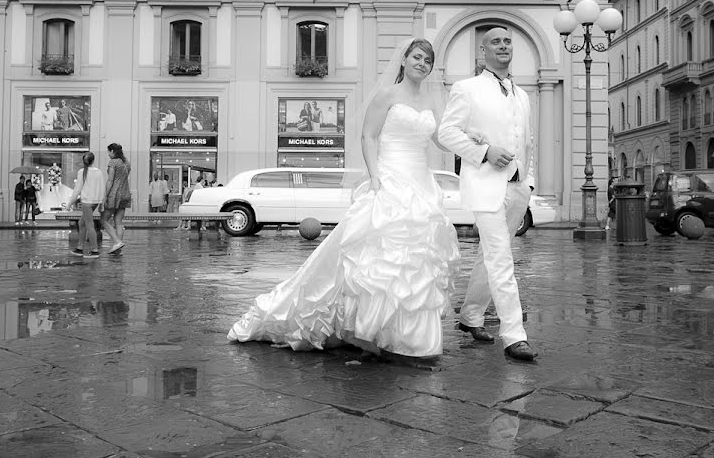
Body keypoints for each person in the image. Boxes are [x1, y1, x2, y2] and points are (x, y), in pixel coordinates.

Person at [228, 38, 461, 357]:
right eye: (417, 57)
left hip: (421, 182)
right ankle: (370, 328)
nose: (422, 63)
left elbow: (441, 140)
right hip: (391, 176)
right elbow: (369, 136)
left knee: (416, 261)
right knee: (379, 258)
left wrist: (468, 141)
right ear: (404, 60)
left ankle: (410, 337)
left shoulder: (432, 103)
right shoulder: (388, 95)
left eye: (428, 60)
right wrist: (376, 176)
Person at [438, 27, 538, 362]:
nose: (503, 46)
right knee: (501, 259)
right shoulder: (466, 88)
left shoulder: (522, 96)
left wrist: (530, 182)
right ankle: (514, 335)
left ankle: (470, 317)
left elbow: (528, 143)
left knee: (491, 255)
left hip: (517, 188)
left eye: (508, 41)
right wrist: (484, 153)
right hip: (485, 187)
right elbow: (447, 132)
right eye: (495, 41)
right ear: (483, 52)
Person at [64, 152, 105, 259]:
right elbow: (102, 188)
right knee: (81, 223)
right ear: (93, 160)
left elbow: (77, 190)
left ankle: (94, 250)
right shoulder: (99, 172)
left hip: (87, 202)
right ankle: (80, 248)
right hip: (95, 202)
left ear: (83, 161)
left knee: (89, 225)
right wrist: (101, 203)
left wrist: (69, 204)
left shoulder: (82, 172)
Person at [103, 143, 131, 254]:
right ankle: (117, 247)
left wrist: (105, 195)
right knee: (118, 221)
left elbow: (110, 180)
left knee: (104, 219)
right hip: (125, 192)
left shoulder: (113, 162)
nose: (108, 154)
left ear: (112, 151)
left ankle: (117, 241)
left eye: (108, 152)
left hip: (115, 193)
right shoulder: (126, 162)